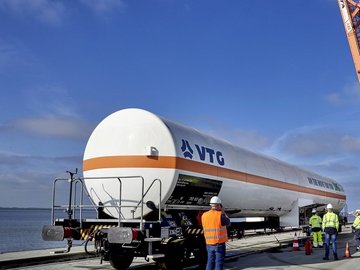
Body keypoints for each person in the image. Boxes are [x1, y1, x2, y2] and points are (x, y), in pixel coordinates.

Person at [201, 196, 230, 270]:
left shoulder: (204, 215)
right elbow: (228, 222)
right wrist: (223, 212)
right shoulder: (220, 215)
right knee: (218, 263)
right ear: (218, 205)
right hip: (219, 244)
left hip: (209, 243)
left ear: (211, 205)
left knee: (210, 262)